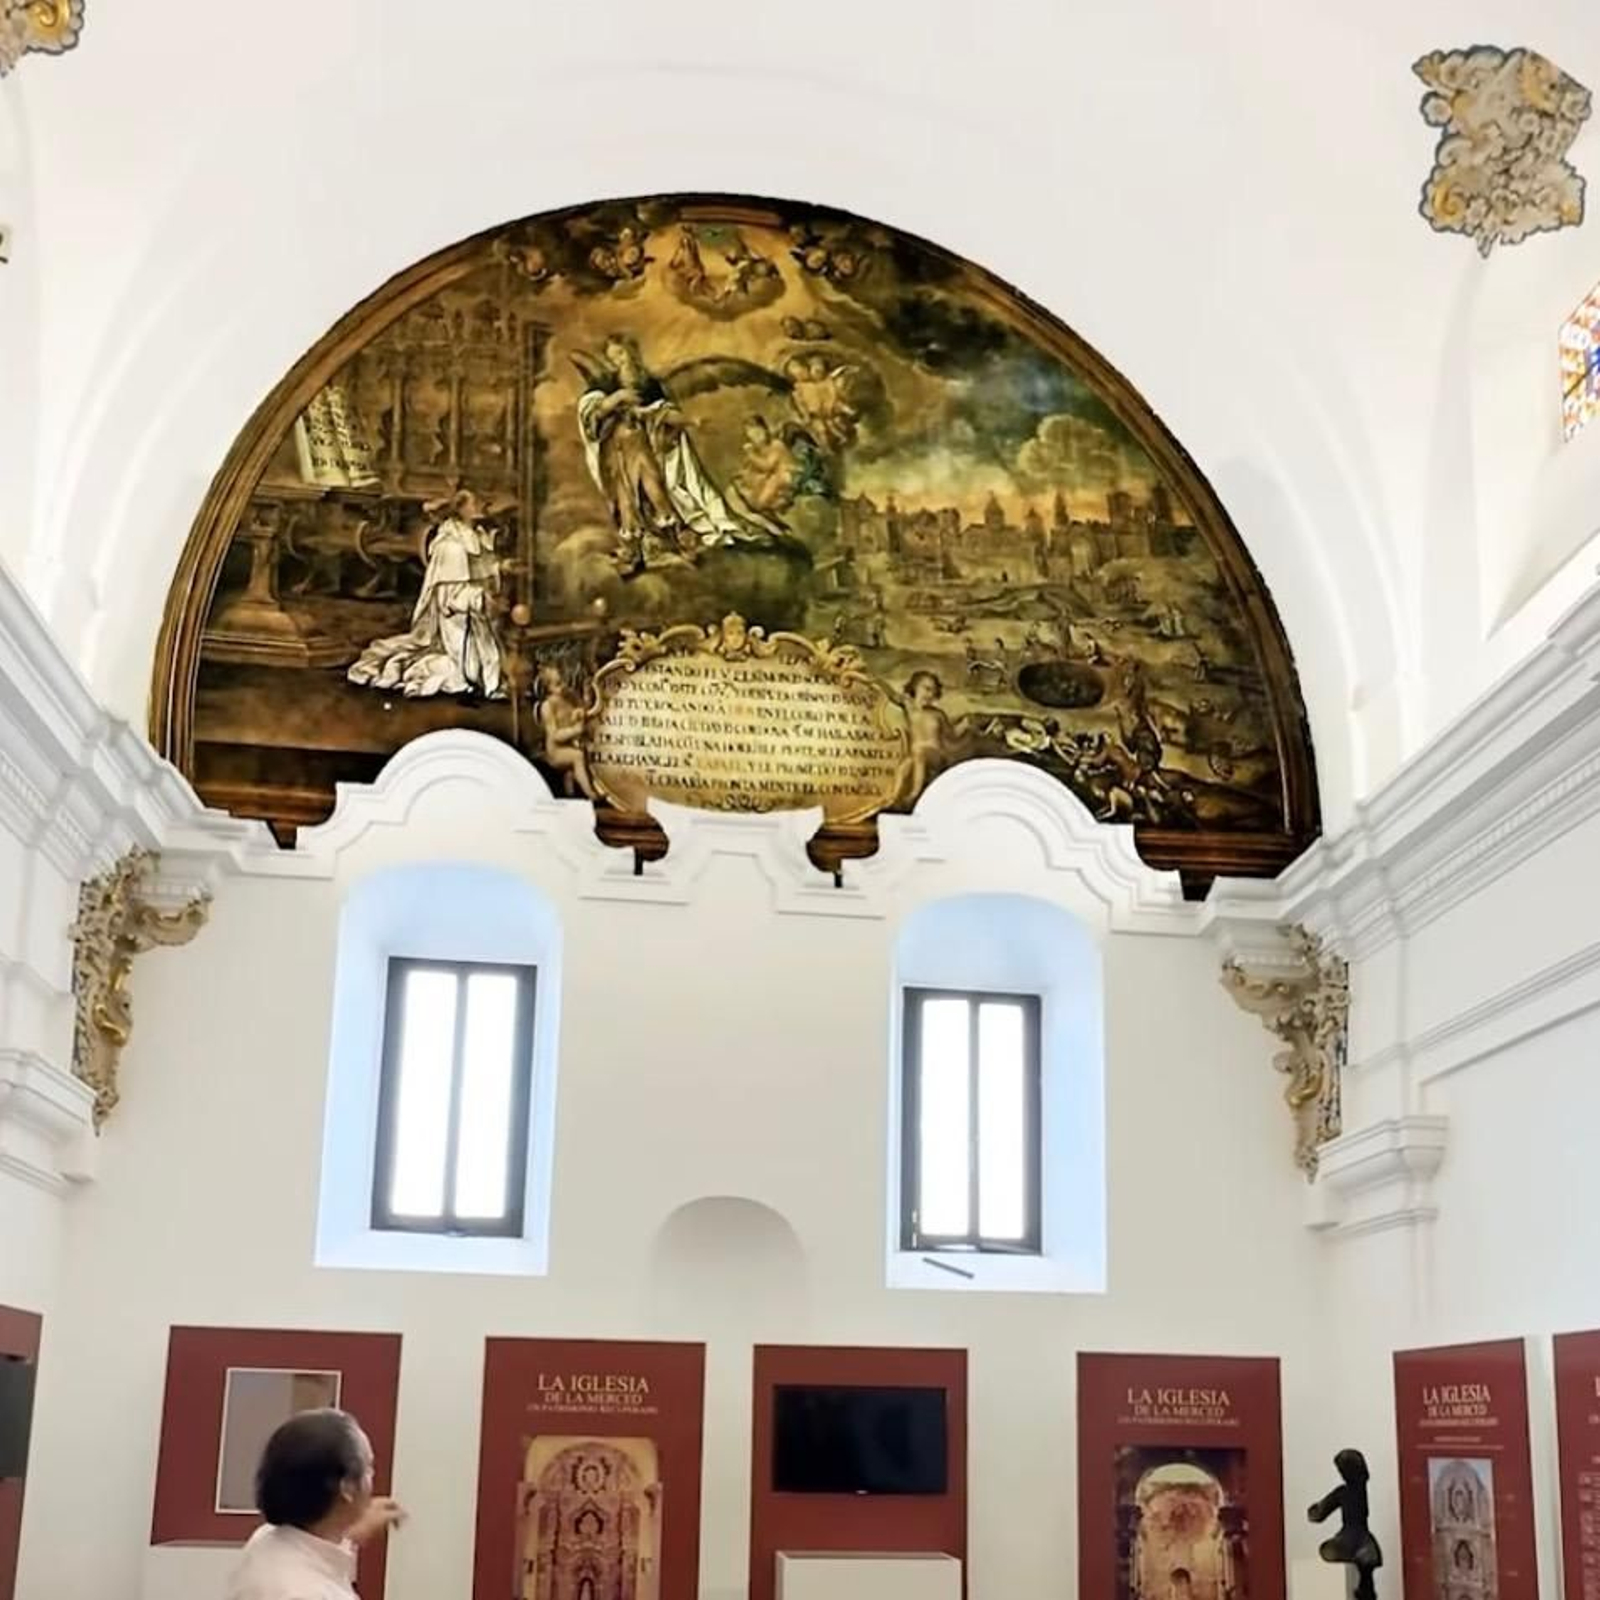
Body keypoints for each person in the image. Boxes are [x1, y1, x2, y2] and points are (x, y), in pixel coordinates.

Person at [225, 1409, 405, 1600]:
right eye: (369, 1468)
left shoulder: (265, 1539)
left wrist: (351, 1533)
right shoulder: (305, 1593)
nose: (372, 1477)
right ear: (347, 1489)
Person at [347, 489, 506, 698]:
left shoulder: (478, 537)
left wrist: (502, 569)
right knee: (467, 672)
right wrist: (480, 599)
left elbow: (482, 571)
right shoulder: (451, 546)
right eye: (476, 502)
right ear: (461, 510)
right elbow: (449, 599)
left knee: (497, 662)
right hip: (458, 624)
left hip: (481, 618)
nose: (483, 505)